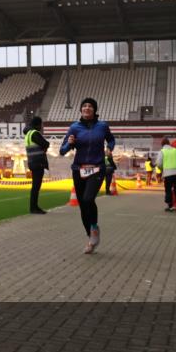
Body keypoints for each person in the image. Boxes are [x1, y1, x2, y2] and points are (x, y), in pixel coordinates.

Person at [59, 97, 115, 254]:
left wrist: (110, 148)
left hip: (97, 168)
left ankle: (95, 227)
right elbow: (62, 151)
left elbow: (111, 139)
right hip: (79, 169)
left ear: (94, 110)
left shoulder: (102, 126)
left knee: (88, 199)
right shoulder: (74, 127)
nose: (87, 108)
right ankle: (91, 236)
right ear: (81, 109)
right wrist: (70, 143)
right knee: (83, 207)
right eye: (84, 106)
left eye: (90, 106)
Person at [23, 115, 50, 214]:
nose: (41, 127)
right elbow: (46, 144)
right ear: (38, 124)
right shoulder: (34, 133)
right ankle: (34, 208)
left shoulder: (28, 134)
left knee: (35, 186)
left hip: (32, 162)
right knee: (36, 187)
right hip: (38, 163)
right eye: (40, 124)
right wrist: (45, 146)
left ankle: (33, 207)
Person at [157, 137, 176, 212]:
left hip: (168, 174)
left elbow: (158, 163)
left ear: (162, 145)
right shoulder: (175, 150)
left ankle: (170, 206)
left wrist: (162, 168)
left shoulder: (162, 151)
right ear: (169, 143)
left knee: (168, 190)